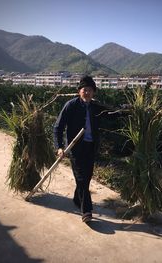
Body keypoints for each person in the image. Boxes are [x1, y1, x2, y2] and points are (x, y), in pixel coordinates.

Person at [53, 75, 118, 223]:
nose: (87, 93)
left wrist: (128, 111)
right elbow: (58, 127)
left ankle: (77, 199)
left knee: (86, 177)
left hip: (91, 147)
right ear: (79, 91)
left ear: (94, 92)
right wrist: (59, 147)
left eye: (89, 90)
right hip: (75, 147)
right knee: (81, 177)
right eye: (84, 90)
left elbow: (112, 114)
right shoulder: (71, 105)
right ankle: (86, 210)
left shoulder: (96, 106)